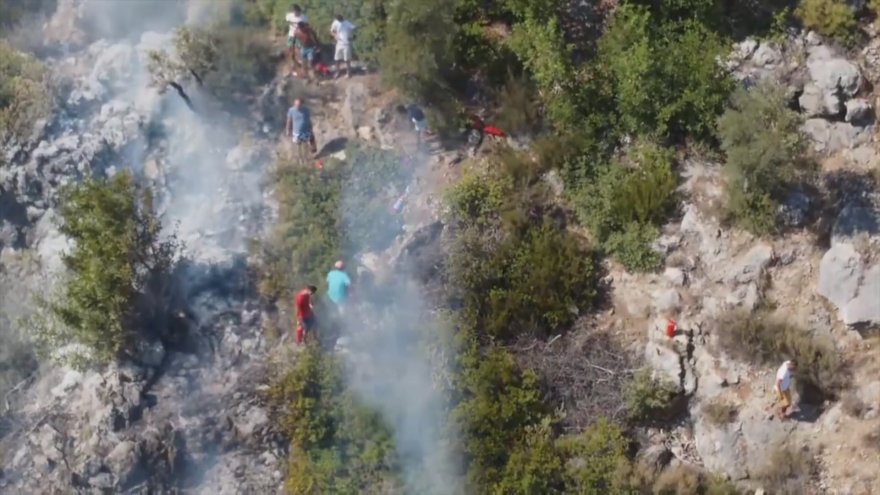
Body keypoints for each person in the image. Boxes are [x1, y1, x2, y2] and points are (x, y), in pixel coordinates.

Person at [329, 14, 356, 79]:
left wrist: (351, 36)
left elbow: (354, 28)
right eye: (338, 19)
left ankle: (348, 73)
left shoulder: (347, 23)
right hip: (339, 43)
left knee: (347, 59)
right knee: (337, 59)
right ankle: (337, 72)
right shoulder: (335, 22)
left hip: (346, 43)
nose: (339, 20)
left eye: (340, 19)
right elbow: (331, 31)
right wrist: (335, 36)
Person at [284, 5, 308, 76]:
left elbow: (307, 25)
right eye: (294, 12)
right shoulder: (290, 16)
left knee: (299, 49)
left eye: (296, 12)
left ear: (299, 11)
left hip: (299, 35)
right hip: (291, 34)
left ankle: (300, 63)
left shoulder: (303, 17)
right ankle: (293, 64)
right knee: (290, 49)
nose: (295, 13)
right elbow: (287, 20)